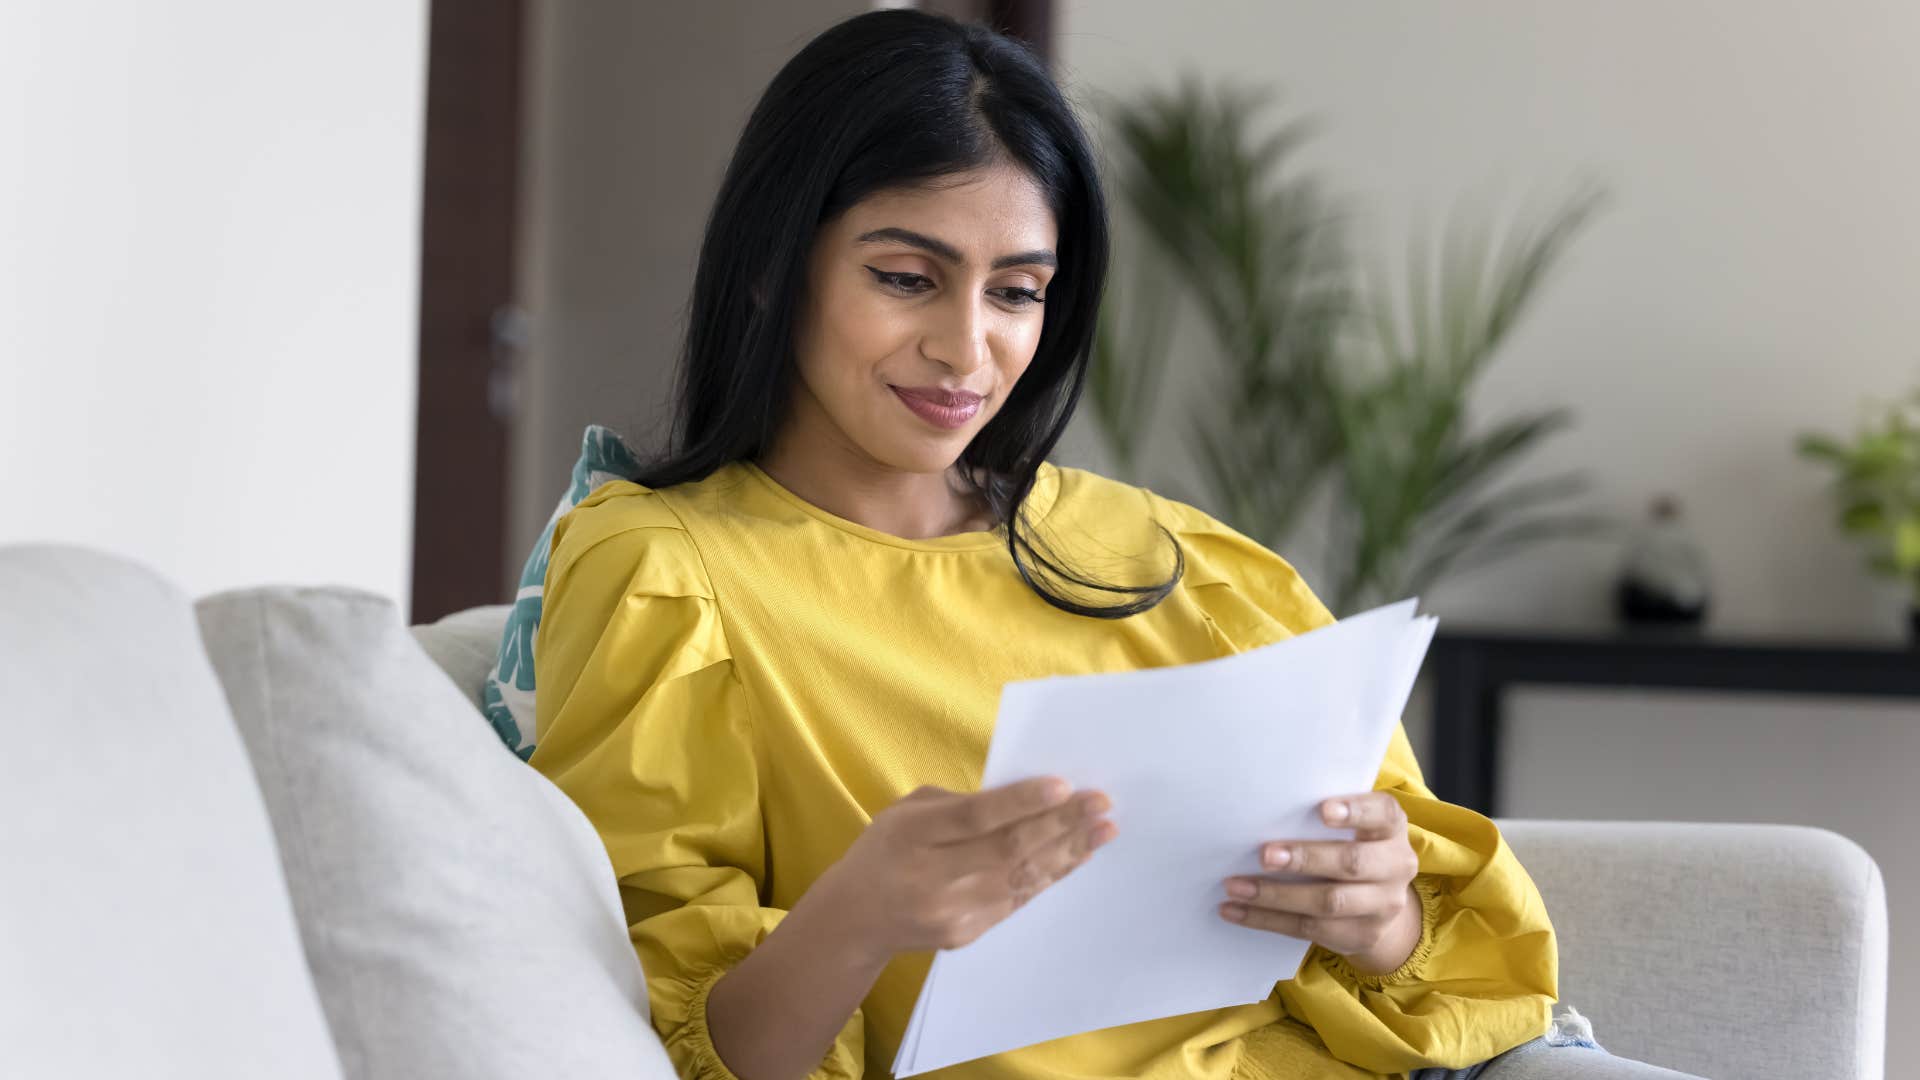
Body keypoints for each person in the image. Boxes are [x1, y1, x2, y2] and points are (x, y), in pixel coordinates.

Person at [528, 10, 1702, 1080]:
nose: (966, 349)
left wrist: (1378, 913)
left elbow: (1442, 969)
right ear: (775, 269)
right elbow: (673, 1046)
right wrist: (864, 913)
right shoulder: (663, 576)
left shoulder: (1182, 561)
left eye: (1017, 293)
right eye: (905, 278)